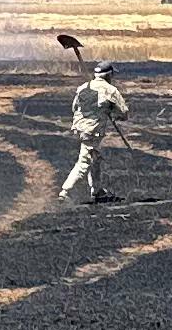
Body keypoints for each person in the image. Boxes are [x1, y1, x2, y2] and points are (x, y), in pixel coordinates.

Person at [56, 33, 130, 204]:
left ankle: (97, 191)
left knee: (95, 158)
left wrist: (101, 109)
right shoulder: (111, 91)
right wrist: (111, 112)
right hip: (93, 130)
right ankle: (65, 191)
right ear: (109, 75)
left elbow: (75, 107)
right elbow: (124, 113)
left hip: (80, 128)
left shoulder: (83, 87)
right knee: (84, 163)